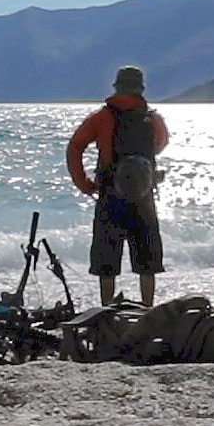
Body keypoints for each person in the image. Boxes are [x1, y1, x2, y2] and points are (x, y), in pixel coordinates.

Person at [66, 65, 170, 307]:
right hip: (143, 197)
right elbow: (160, 145)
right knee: (148, 262)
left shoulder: (102, 117)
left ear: (117, 87)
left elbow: (75, 147)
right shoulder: (153, 119)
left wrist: (84, 184)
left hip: (110, 195)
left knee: (107, 262)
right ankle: (147, 309)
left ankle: (107, 311)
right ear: (141, 89)